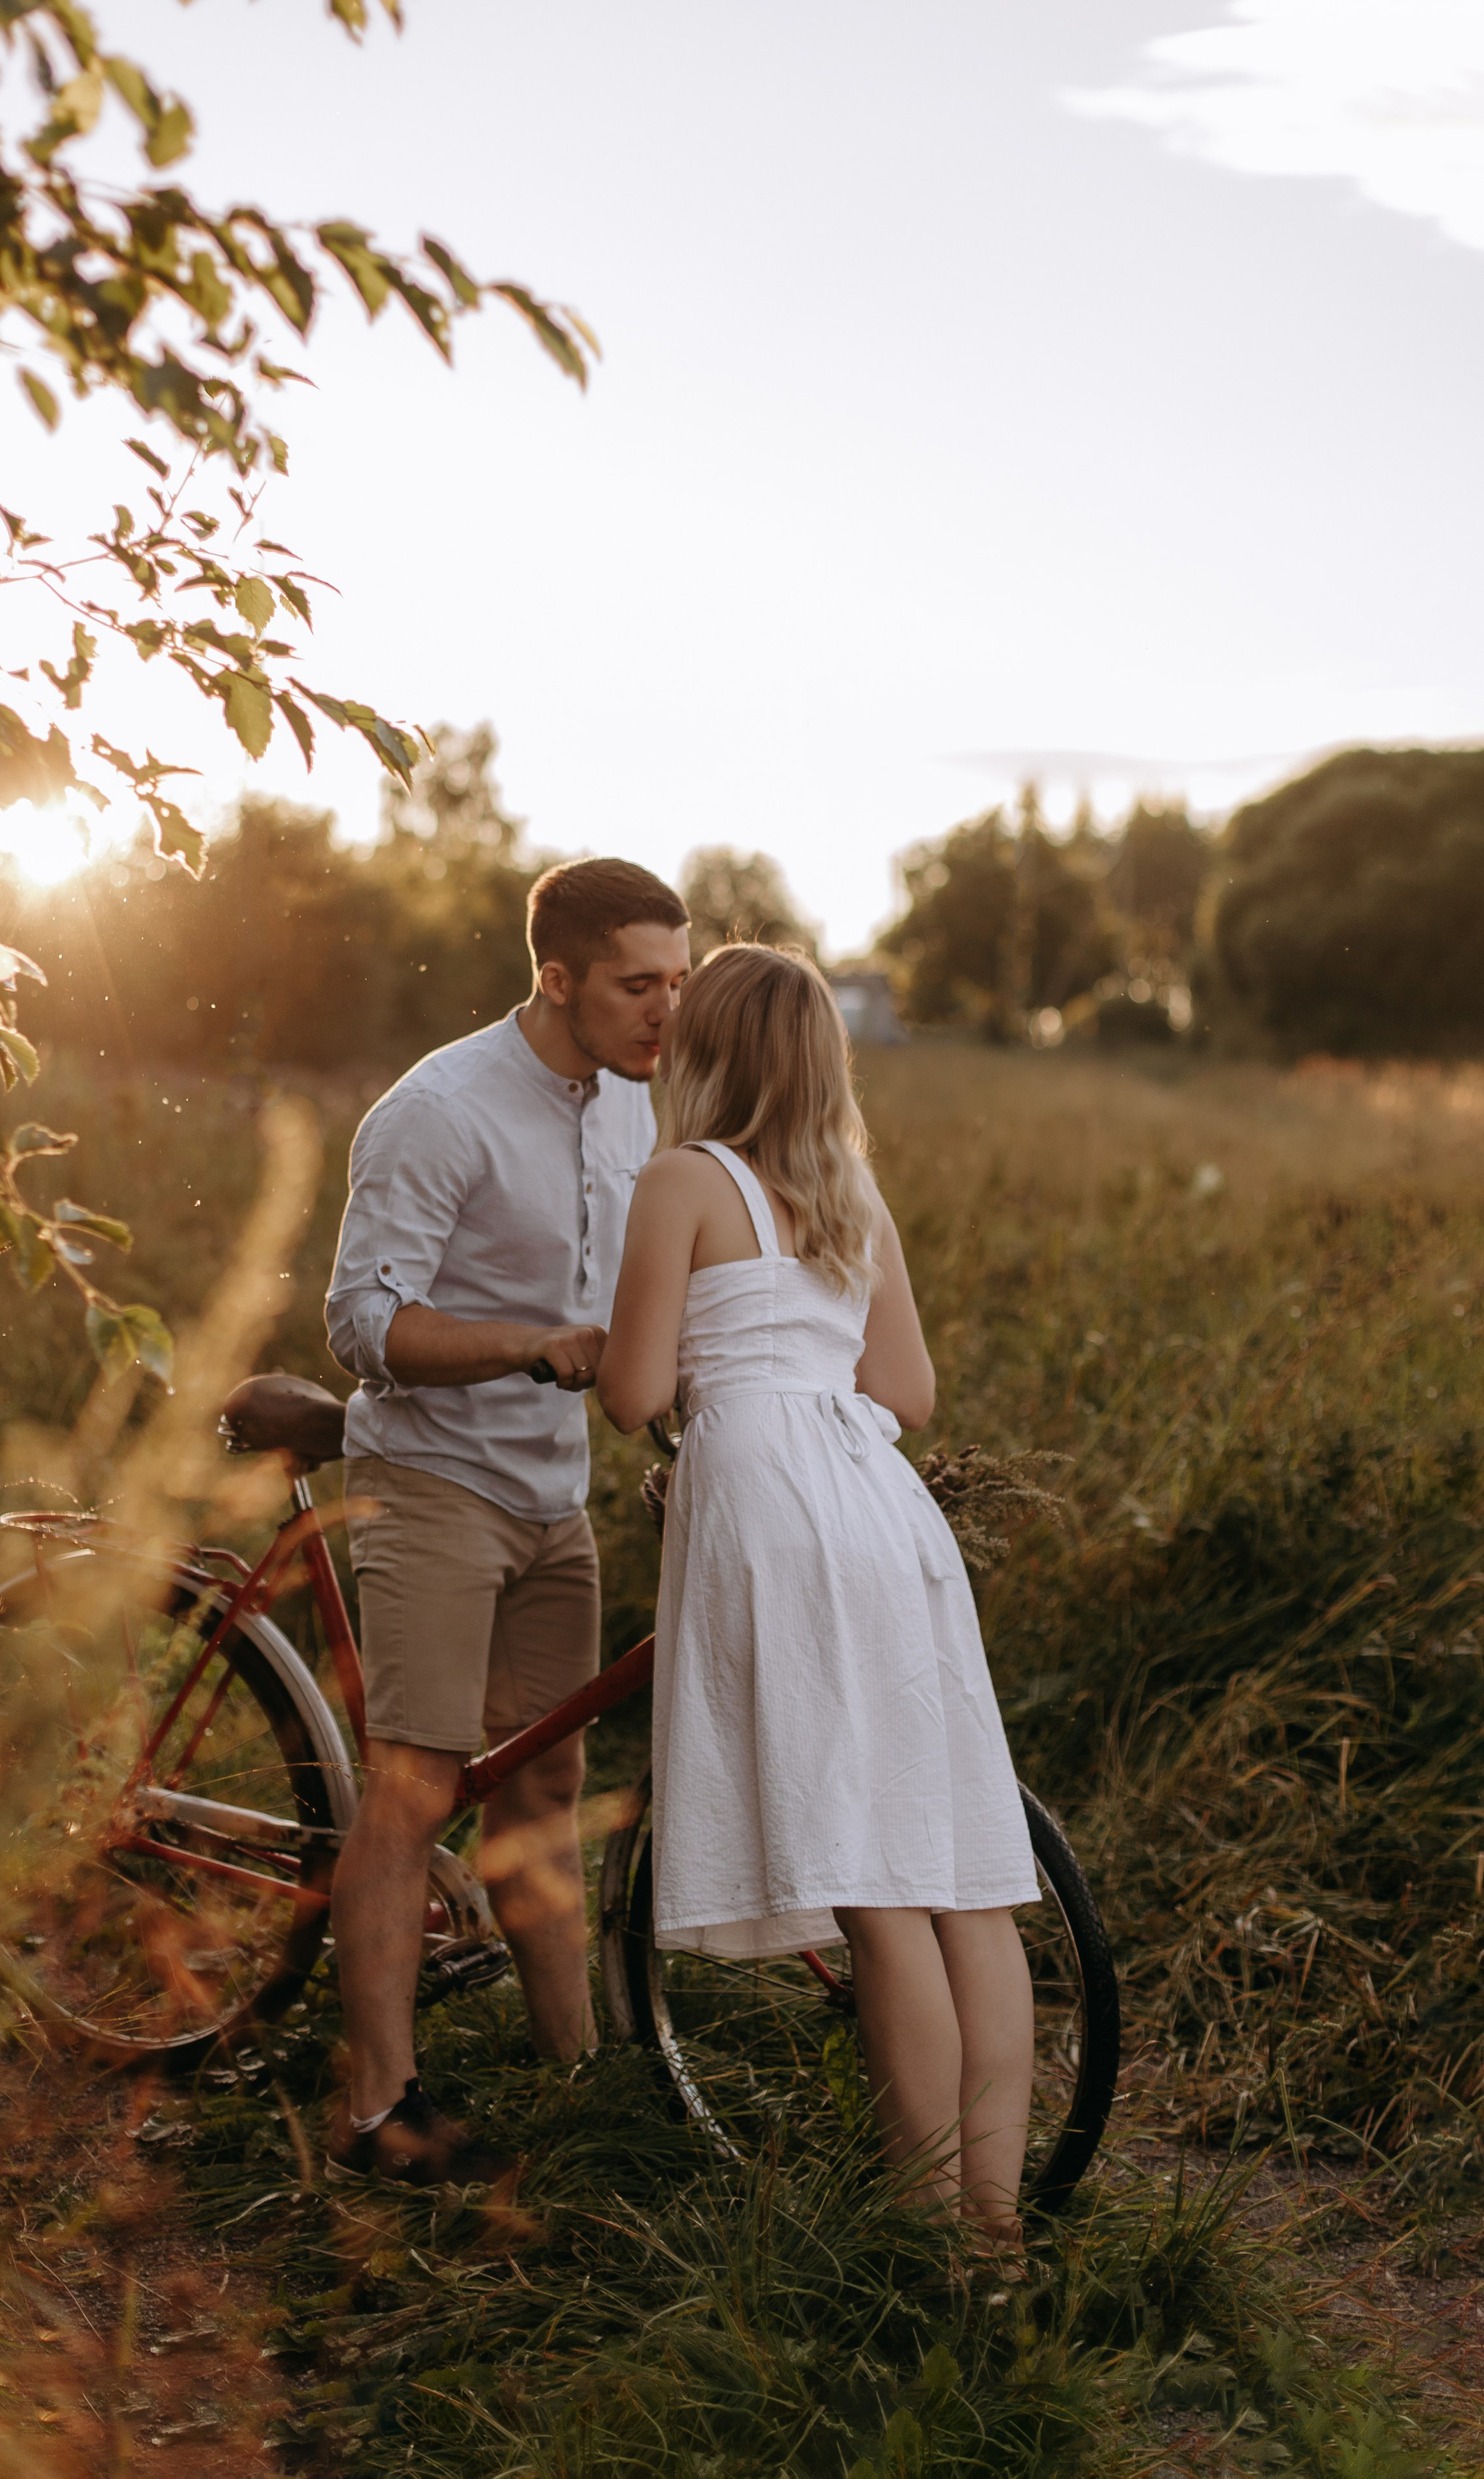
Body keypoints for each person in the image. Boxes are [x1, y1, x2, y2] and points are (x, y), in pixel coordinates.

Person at [596, 943, 1037, 2243]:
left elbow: (629, 1395)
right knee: (963, 1879)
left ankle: (923, 2223)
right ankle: (993, 2231)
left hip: (771, 1514)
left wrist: (701, 1370)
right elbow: (905, 1397)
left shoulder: (682, 1181)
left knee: (869, 1878)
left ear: (707, 1051)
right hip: (883, 1512)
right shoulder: (854, 1194)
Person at [322, 857, 691, 2184]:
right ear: (558, 979)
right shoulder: (441, 1110)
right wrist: (532, 1349)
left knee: (544, 1788)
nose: (666, 1011)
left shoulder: (627, 1109)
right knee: (416, 1784)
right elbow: (363, 1326)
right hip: (435, 1483)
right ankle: (378, 2113)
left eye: (679, 982)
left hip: (553, 1499)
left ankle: (576, 2082)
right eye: (638, 985)